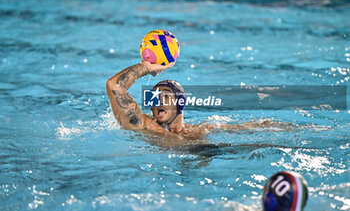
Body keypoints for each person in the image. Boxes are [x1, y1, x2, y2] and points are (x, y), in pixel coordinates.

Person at [106, 62, 293, 139]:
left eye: (165, 97)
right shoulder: (144, 125)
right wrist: (147, 66)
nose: (158, 102)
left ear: (180, 104)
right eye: (154, 98)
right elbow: (114, 86)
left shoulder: (199, 131)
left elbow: (248, 127)